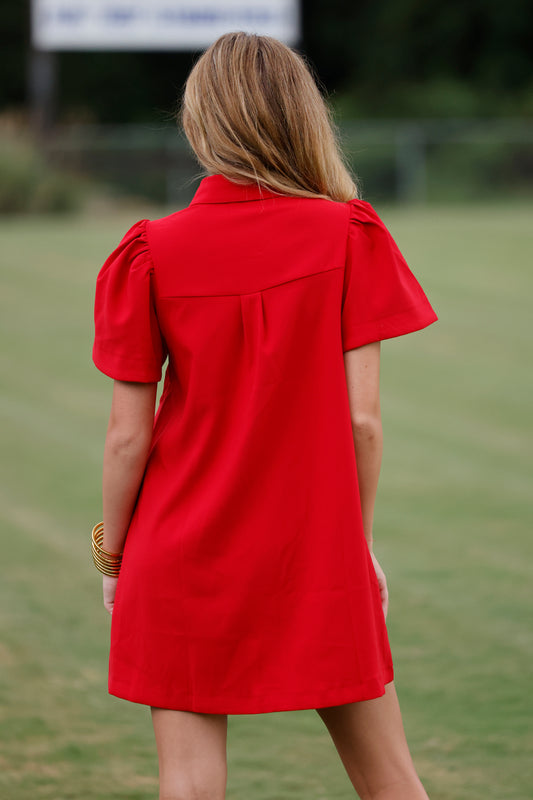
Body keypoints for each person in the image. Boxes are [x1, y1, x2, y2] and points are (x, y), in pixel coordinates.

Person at [91, 31, 438, 800]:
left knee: (187, 787)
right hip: (316, 553)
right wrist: (358, 542)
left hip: (177, 555)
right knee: (393, 786)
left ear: (201, 121)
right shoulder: (349, 233)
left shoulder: (150, 250)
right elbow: (363, 424)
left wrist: (113, 560)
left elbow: (126, 436)